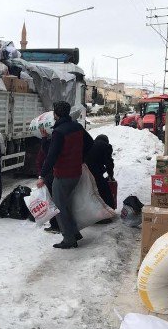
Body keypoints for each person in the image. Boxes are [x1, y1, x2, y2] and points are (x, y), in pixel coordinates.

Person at [38, 101, 94, 249]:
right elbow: (90, 143)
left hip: (63, 175)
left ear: (56, 114)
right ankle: (74, 233)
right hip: (76, 172)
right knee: (66, 204)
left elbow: (51, 156)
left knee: (59, 207)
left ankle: (69, 239)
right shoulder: (77, 127)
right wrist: (80, 158)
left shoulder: (59, 132)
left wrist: (42, 176)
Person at [36, 133, 60, 233]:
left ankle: (55, 225)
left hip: (50, 175)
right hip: (57, 174)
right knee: (57, 200)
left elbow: (41, 161)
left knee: (52, 200)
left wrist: (41, 176)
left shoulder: (47, 146)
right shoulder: (59, 143)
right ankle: (57, 224)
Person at [86, 134, 116, 212]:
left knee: (91, 191)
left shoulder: (91, 144)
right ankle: (108, 212)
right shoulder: (106, 146)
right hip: (95, 171)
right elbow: (109, 163)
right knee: (104, 191)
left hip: (86, 171)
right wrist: (110, 175)